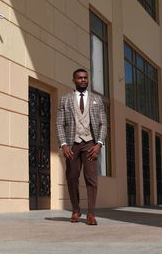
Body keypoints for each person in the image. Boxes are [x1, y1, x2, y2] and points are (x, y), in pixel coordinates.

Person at [56, 68, 107, 225]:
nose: (83, 80)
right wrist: (64, 144)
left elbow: (103, 123)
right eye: (79, 78)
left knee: (91, 179)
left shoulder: (97, 100)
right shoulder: (65, 100)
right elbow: (59, 123)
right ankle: (76, 210)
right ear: (74, 80)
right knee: (72, 178)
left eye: (85, 77)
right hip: (72, 144)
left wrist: (99, 144)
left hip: (90, 143)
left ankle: (91, 214)